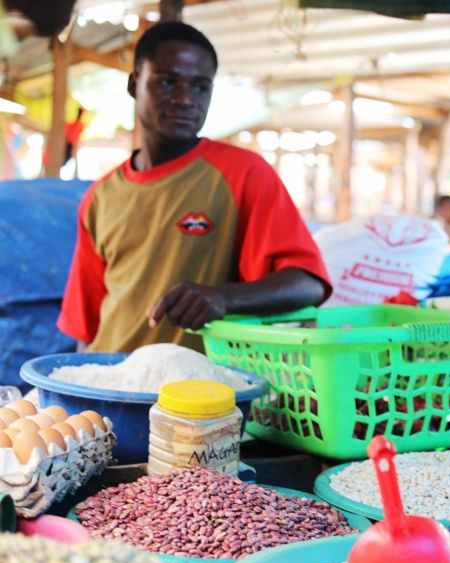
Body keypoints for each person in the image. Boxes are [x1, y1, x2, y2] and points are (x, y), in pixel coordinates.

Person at [57, 22, 331, 354]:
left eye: (200, 87)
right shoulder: (99, 198)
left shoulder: (244, 174)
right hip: (114, 377)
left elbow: (308, 283)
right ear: (135, 84)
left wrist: (222, 298)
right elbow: (85, 325)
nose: (184, 99)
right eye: (166, 82)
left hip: (203, 384)